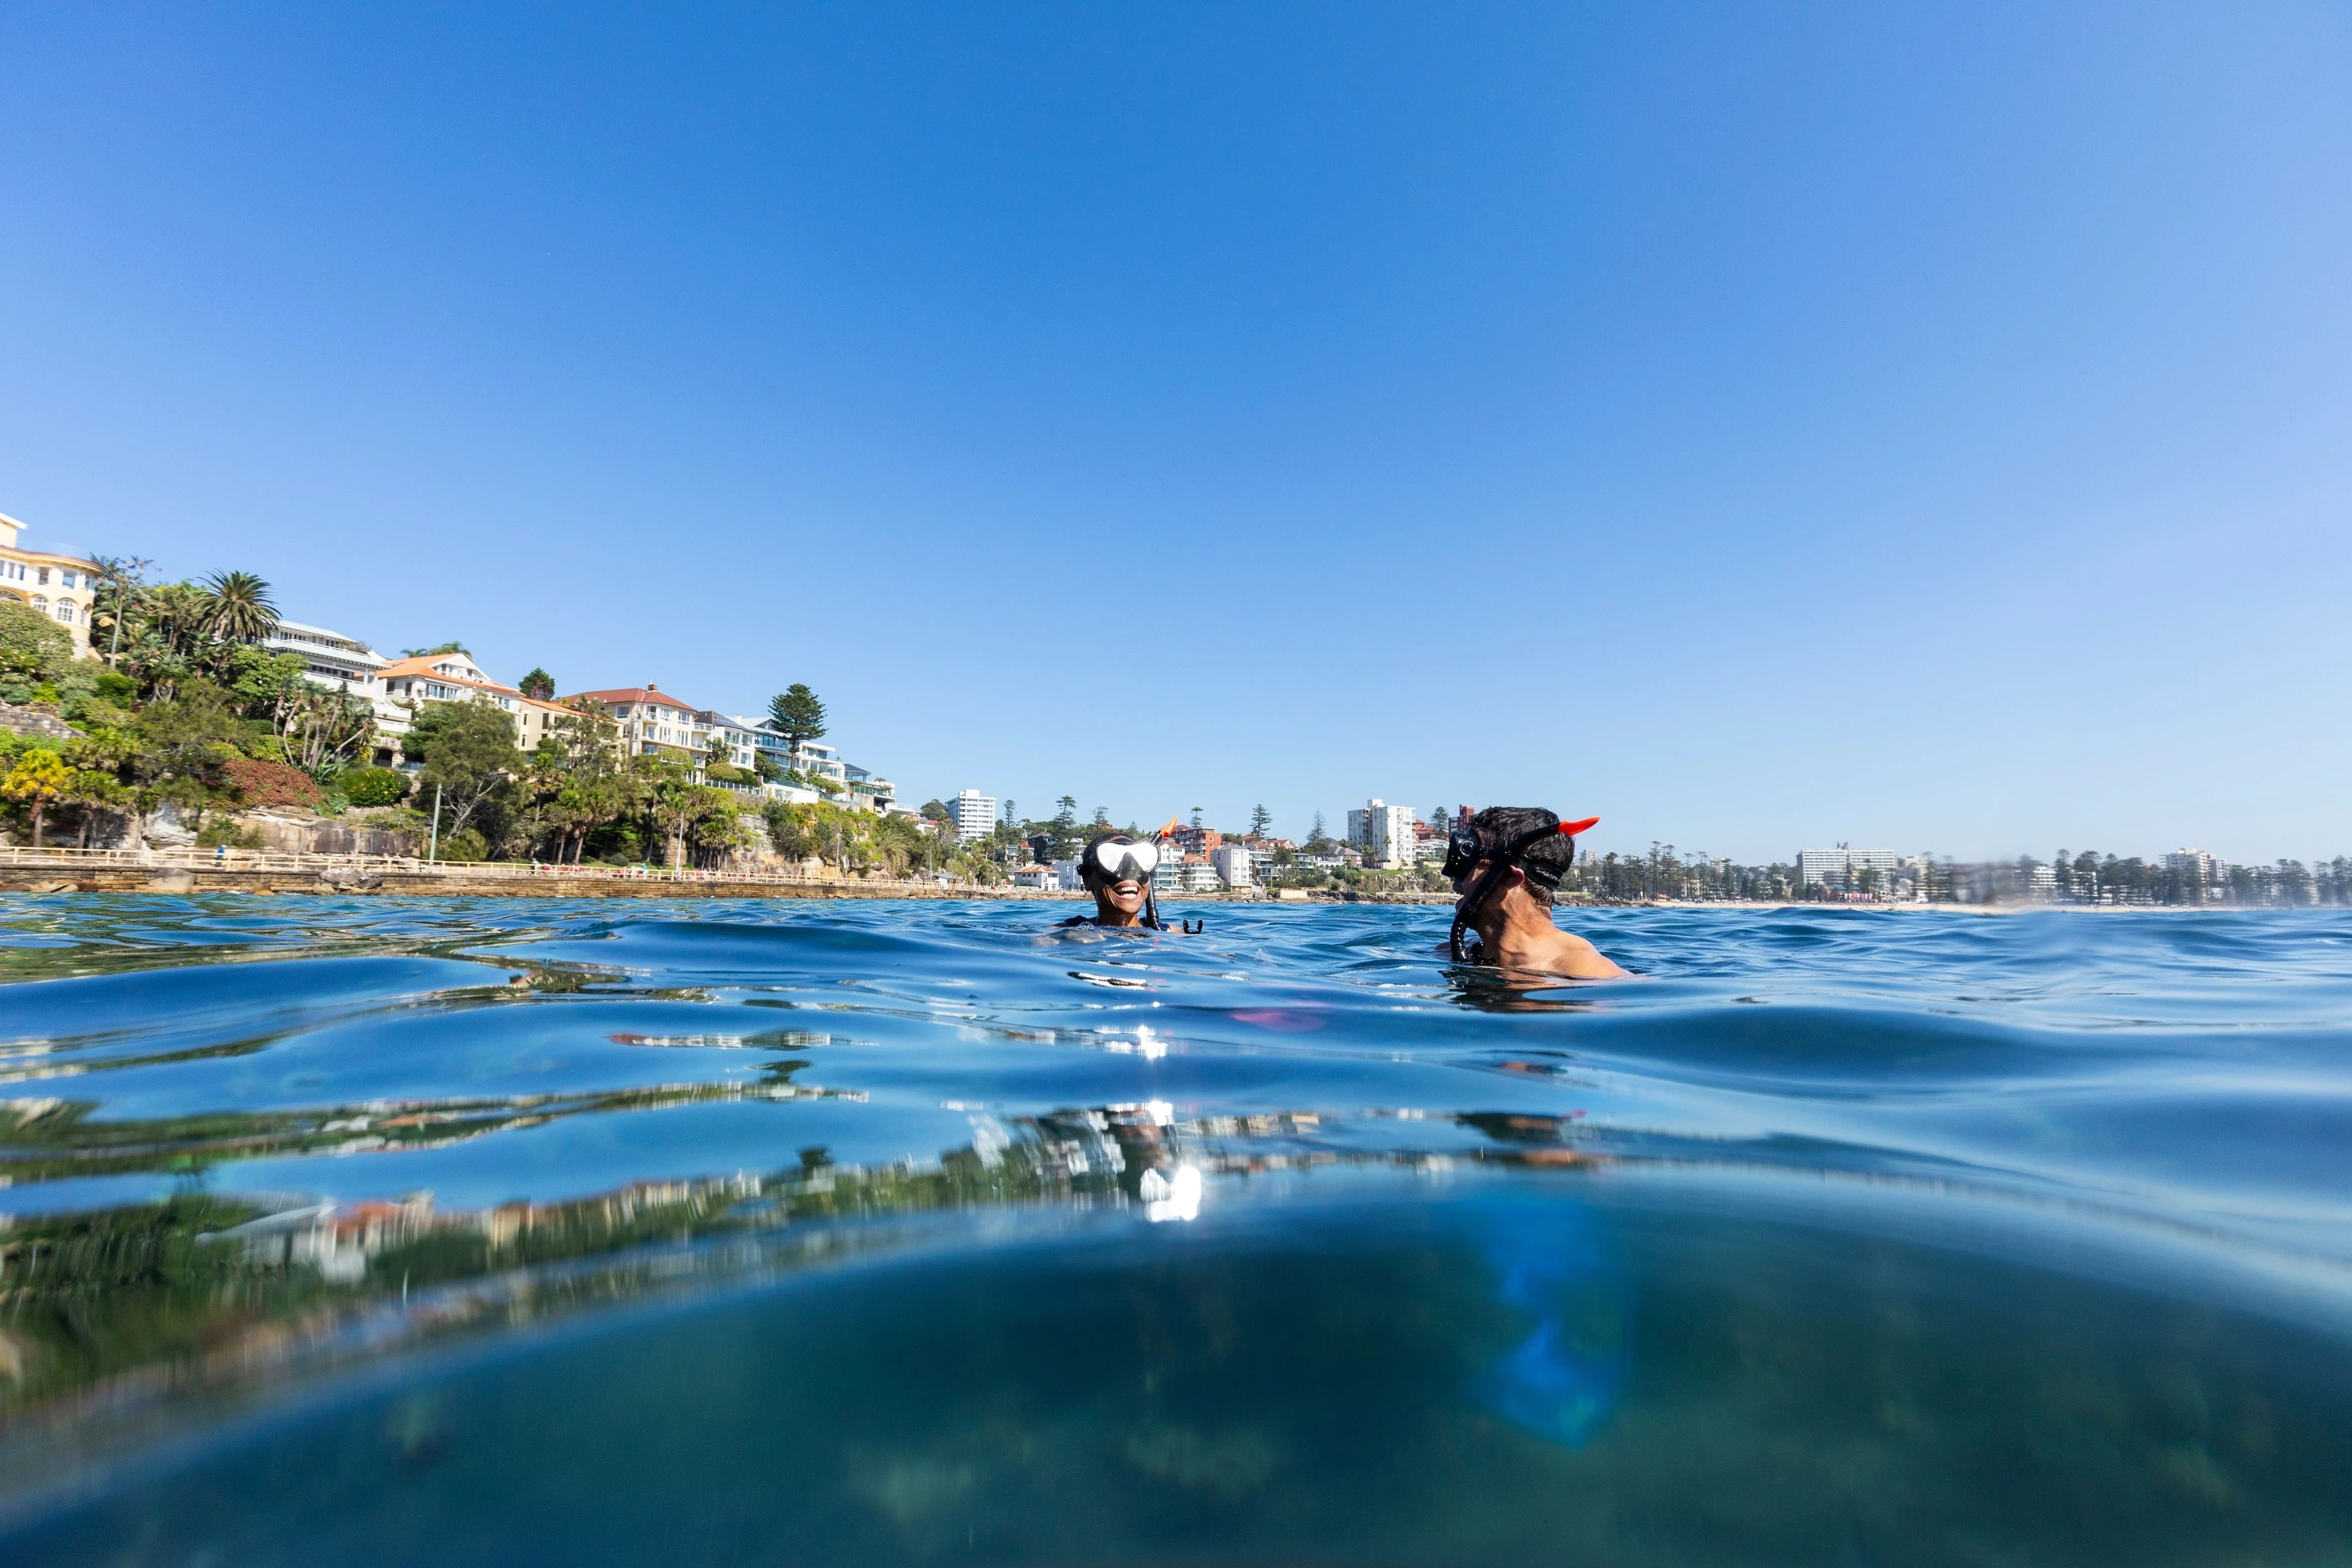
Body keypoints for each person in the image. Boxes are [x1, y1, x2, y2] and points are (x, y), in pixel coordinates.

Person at [1443, 806, 1626, 979]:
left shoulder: (1588, 973)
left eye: (1468, 857)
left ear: (1509, 877)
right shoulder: (1463, 950)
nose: (1452, 875)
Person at [1058, 831, 1174, 931]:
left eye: (1139, 862)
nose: (1130, 871)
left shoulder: (1170, 933)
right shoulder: (1066, 934)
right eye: (1113, 862)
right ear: (1087, 880)